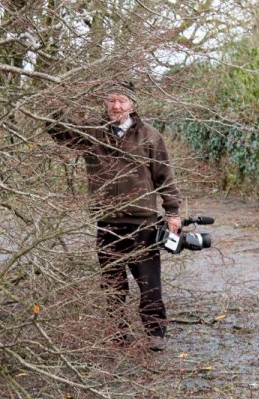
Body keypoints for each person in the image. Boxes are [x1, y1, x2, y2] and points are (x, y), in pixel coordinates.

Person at [46, 81, 182, 351]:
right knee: (112, 284)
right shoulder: (92, 133)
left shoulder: (149, 135)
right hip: (107, 222)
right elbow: (59, 132)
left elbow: (164, 175)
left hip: (142, 222)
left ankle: (155, 333)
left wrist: (173, 211)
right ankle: (117, 333)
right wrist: (55, 107)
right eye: (111, 100)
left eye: (122, 100)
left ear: (133, 103)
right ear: (104, 102)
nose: (116, 106)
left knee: (149, 283)